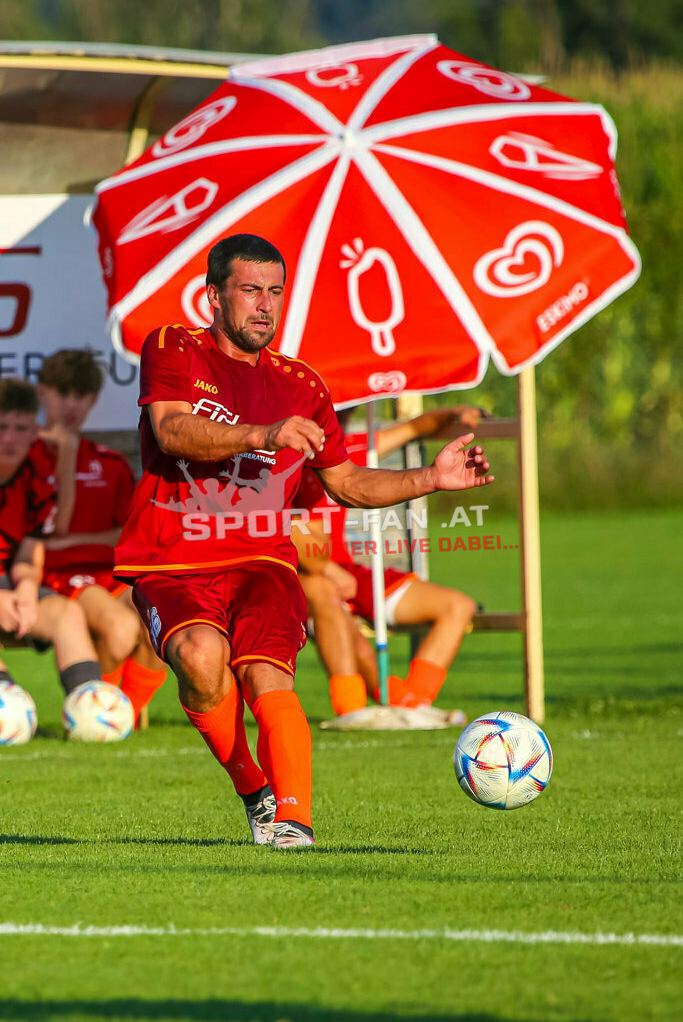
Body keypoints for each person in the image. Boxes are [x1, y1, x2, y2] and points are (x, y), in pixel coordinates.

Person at [114, 233, 493, 849]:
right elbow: (173, 430)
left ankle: (292, 821)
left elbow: (344, 482)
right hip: (172, 557)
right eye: (250, 290)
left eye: (275, 292)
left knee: (268, 679)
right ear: (214, 296)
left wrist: (431, 477)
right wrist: (262, 433)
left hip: (263, 559)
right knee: (200, 662)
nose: (265, 305)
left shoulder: (303, 385)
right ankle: (253, 790)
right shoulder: (173, 346)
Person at [293, 407, 489, 715]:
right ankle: (353, 711)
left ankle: (413, 707)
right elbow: (289, 534)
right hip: (300, 574)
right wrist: (328, 569)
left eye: (347, 411)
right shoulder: (282, 458)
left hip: (348, 570)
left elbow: (415, 427)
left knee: (457, 607)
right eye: (335, 411)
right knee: (348, 631)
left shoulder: (351, 446)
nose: (341, 419)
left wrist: (455, 413)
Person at [37, 350, 167, 725]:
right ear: (43, 393)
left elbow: (124, 533)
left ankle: (124, 710)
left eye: (81, 396)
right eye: (63, 393)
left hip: (109, 572)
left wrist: (69, 540)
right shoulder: (24, 457)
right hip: (58, 578)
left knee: (164, 616)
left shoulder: (109, 462)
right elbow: (40, 535)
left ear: (93, 400)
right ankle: (96, 713)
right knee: (121, 628)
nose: (72, 404)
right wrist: (62, 545)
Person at [0, 378, 105, 696]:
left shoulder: (40, 477)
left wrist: (28, 588)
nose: (9, 439)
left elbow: (29, 553)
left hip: (8, 582)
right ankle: (7, 704)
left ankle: (91, 709)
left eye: (20, 428)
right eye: (2, 426)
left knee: (67, 613)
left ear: (35, 431)